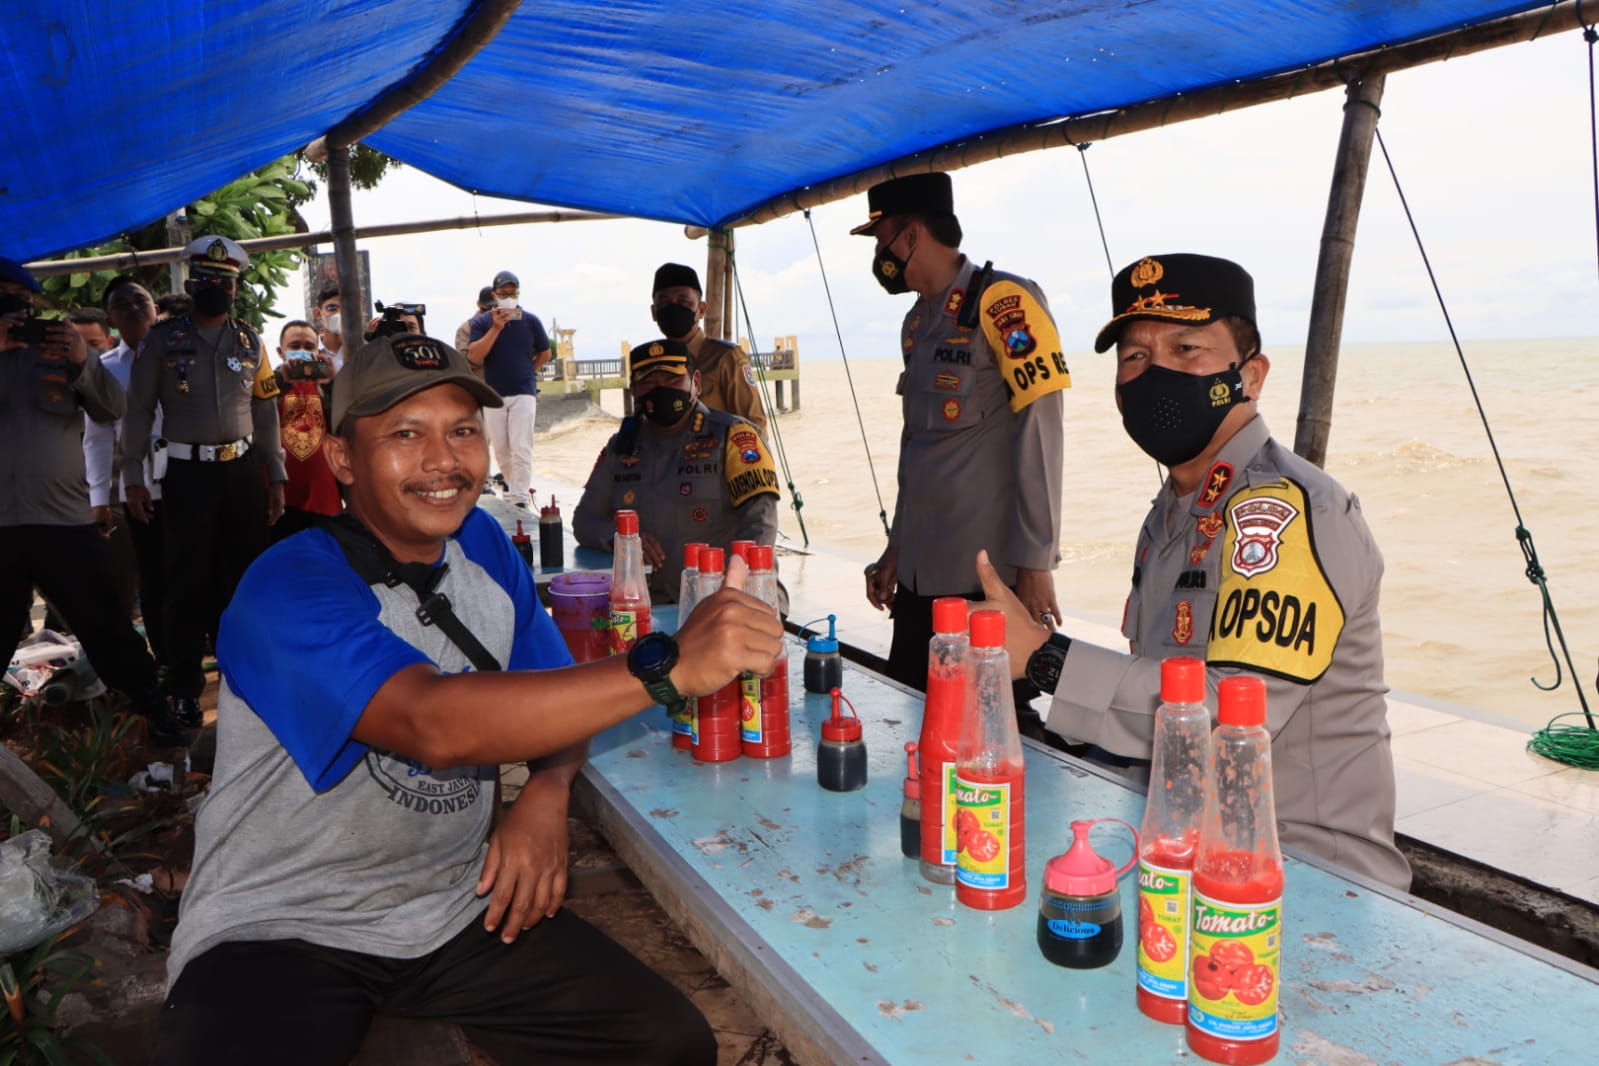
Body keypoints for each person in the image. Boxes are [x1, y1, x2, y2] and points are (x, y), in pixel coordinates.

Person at [151, 330, 782, 1065]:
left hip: (448, 905)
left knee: (665, 1044)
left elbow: (549, 693)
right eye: (405, 434)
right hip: (284, 924)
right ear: (342, 459)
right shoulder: (287, 586)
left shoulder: (483, 544)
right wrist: (665, 666)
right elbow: (430, 723)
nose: (442, 461)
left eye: (461, 432)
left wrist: (545, 794)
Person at [975, 252, 1411, 891]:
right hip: (1189, 850)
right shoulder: (1176, 509)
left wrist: (1046, 659)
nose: (1156, 375)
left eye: (1187, 349)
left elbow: (1229, 717)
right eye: (1135, 358)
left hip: (1301, 875)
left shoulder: (1285, 512)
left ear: (1251, 374)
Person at [851, 172, 1067, 693]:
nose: (880, 256)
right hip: (920, 578)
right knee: (911, 708)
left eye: (881, 241)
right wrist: (896, 550)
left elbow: (1042, 431)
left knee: (992, 730)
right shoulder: (917, 323)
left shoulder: (1003, 302)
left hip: (983, 581)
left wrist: (1035, 564)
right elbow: (917, 452)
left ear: (911, 237)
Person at [0, 257, 184, 743]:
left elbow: (112, 410)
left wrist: (83, 359)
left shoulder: (60, 352)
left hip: (61, 517)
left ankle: (153, 709)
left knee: (105, 623)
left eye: (22, 301)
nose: (15, 311)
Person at [121, 236, 287, 730]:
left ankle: (249, 681)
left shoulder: (251, 341)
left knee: (246, 580)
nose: (216, 288)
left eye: (225, 282)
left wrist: (275, 473)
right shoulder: (161, 340)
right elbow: (137, 411)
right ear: (191, 284)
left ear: (237, 289)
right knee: (186, 584)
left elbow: (266, 410)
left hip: (241, 473)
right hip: (187, 474)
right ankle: (187, 692)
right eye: (207, 281)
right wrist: (132, 475)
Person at [574, 340, 778, 601]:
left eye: (672, 378)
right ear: (634, 391)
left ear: (696, 382)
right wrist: (622, 541)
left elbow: (761, 526)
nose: (661, 388)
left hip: (729, 597)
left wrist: (732, 587)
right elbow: (584, 521)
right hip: (654, 602)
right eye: (648, 381)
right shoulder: (622, 448)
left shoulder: (734, 437)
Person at [86, 277, 168, 679]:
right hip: (138, 491)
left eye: (141, 299)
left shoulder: (178, 353)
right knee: (153, 581)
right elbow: (98, 437)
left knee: (199, 574)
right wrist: (100, 497)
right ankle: (168, 664)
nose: (134, 307)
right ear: (111, 318)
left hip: (190, 483)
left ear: (154, 307)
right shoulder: (103, 369)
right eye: (123, 303)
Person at [650, 262, 767, 438]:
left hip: (717, 460)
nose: (674, 308)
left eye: (684, 301)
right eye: (665, 303)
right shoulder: (651, 365)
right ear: (654, 313)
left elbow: (754, 425)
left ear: (701, 309)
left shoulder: (726, 357)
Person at [466, 269, 551, 508]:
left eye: (513, 292)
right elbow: (474, 356)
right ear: (495, 294)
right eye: (503, 292)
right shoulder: (482, 323)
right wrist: (496, 328)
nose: (509, 296)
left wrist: (530, 371)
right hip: (494, 393)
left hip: (523, 391)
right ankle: (513, 489)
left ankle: (520, 496)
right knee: (502, 449)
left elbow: (545, 352)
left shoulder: (531, 320)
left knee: (521, 445)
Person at [270, 320, 342, 541]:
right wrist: (281, 380)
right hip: (282, 500)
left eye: (309, 346)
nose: (302, 352)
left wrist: (332, 382)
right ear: (281, 351)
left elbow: (343, 425)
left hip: (324, 501)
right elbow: (256, 413)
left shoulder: (327, 387)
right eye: (294, 346)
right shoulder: (270, 386)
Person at [312, 284, 346, 371]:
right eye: (332, 308)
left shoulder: (362, 352)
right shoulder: (310, 352)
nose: (339, 313)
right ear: (318, 313)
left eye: (346, 309)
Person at [455, 285, 493, 360]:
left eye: (495, 306)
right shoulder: (466, 327)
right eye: (488, 307)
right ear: (479, 304)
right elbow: (464, 360)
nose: (491, 311)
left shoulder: (504, 324)